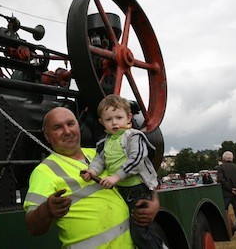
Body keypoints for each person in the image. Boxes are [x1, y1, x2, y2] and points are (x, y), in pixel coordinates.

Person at [24, 107, 160, 248]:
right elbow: (33, 227)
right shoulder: (44, 171)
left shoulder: (100, 153)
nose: (67, 131)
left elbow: (139, 177)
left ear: (78, 126)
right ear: (47, 136)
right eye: (57, 127)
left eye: (71, 124)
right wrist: (46, 210)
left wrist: (155, 202)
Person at [80, 95, 163, 249]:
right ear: (101, 122)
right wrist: (91, 171)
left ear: (129, 117)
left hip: (138, 189)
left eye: (119, 117)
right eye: (109, 119)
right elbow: (99, 160)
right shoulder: (104, 142)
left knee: (141, 232)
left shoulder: (134, 136)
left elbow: (137, 159)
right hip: (121, 190)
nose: (114, 122)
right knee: (130, 229)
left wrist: (116, 177)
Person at [217, 151, 236, 238]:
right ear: (232, 158)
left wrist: (231, 189)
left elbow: (221, 180)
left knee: (222, 212)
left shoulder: (221, 168)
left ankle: (228, 230)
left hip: (226, 194)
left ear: (223, 158)